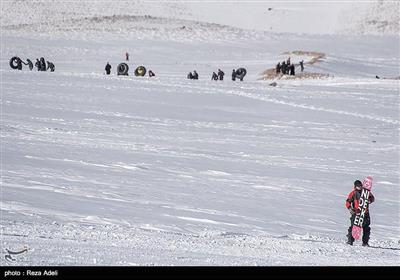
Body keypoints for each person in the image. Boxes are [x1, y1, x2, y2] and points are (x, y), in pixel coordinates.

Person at [345, 180, 375, 246]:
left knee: (366, 228)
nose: (360, 187)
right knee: (353, 227)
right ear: (355, 186)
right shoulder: (353, 193)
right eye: (358, 186)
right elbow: (347, 202)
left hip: (365, 213)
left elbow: (372, 198)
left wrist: (369, 200)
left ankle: (365, 242)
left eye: (361, 186)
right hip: (356, 213)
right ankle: (350, 241)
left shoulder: (366, 192)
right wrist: (350, 208)